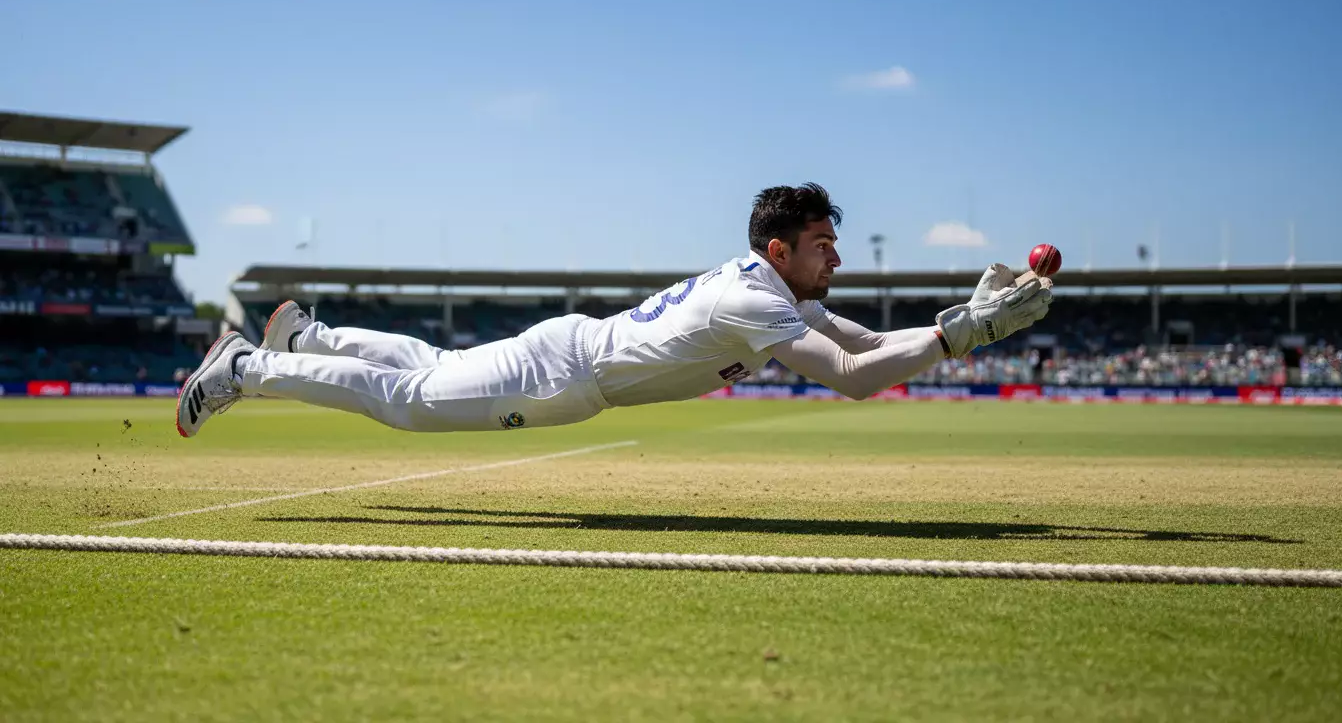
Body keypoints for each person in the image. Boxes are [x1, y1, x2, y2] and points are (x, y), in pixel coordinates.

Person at [176, 183, 1053, 437]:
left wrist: (958, 321)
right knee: (407, 405)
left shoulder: (769, 291)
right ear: (779, 249)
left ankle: (312, 336)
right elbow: (858, 378)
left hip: (573, 355)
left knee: (430, 373)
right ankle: (251, 366)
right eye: (823, 242)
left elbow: (861, 339)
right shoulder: (759, 299)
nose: (837, 255)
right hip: (567, 374)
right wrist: (959, 334)